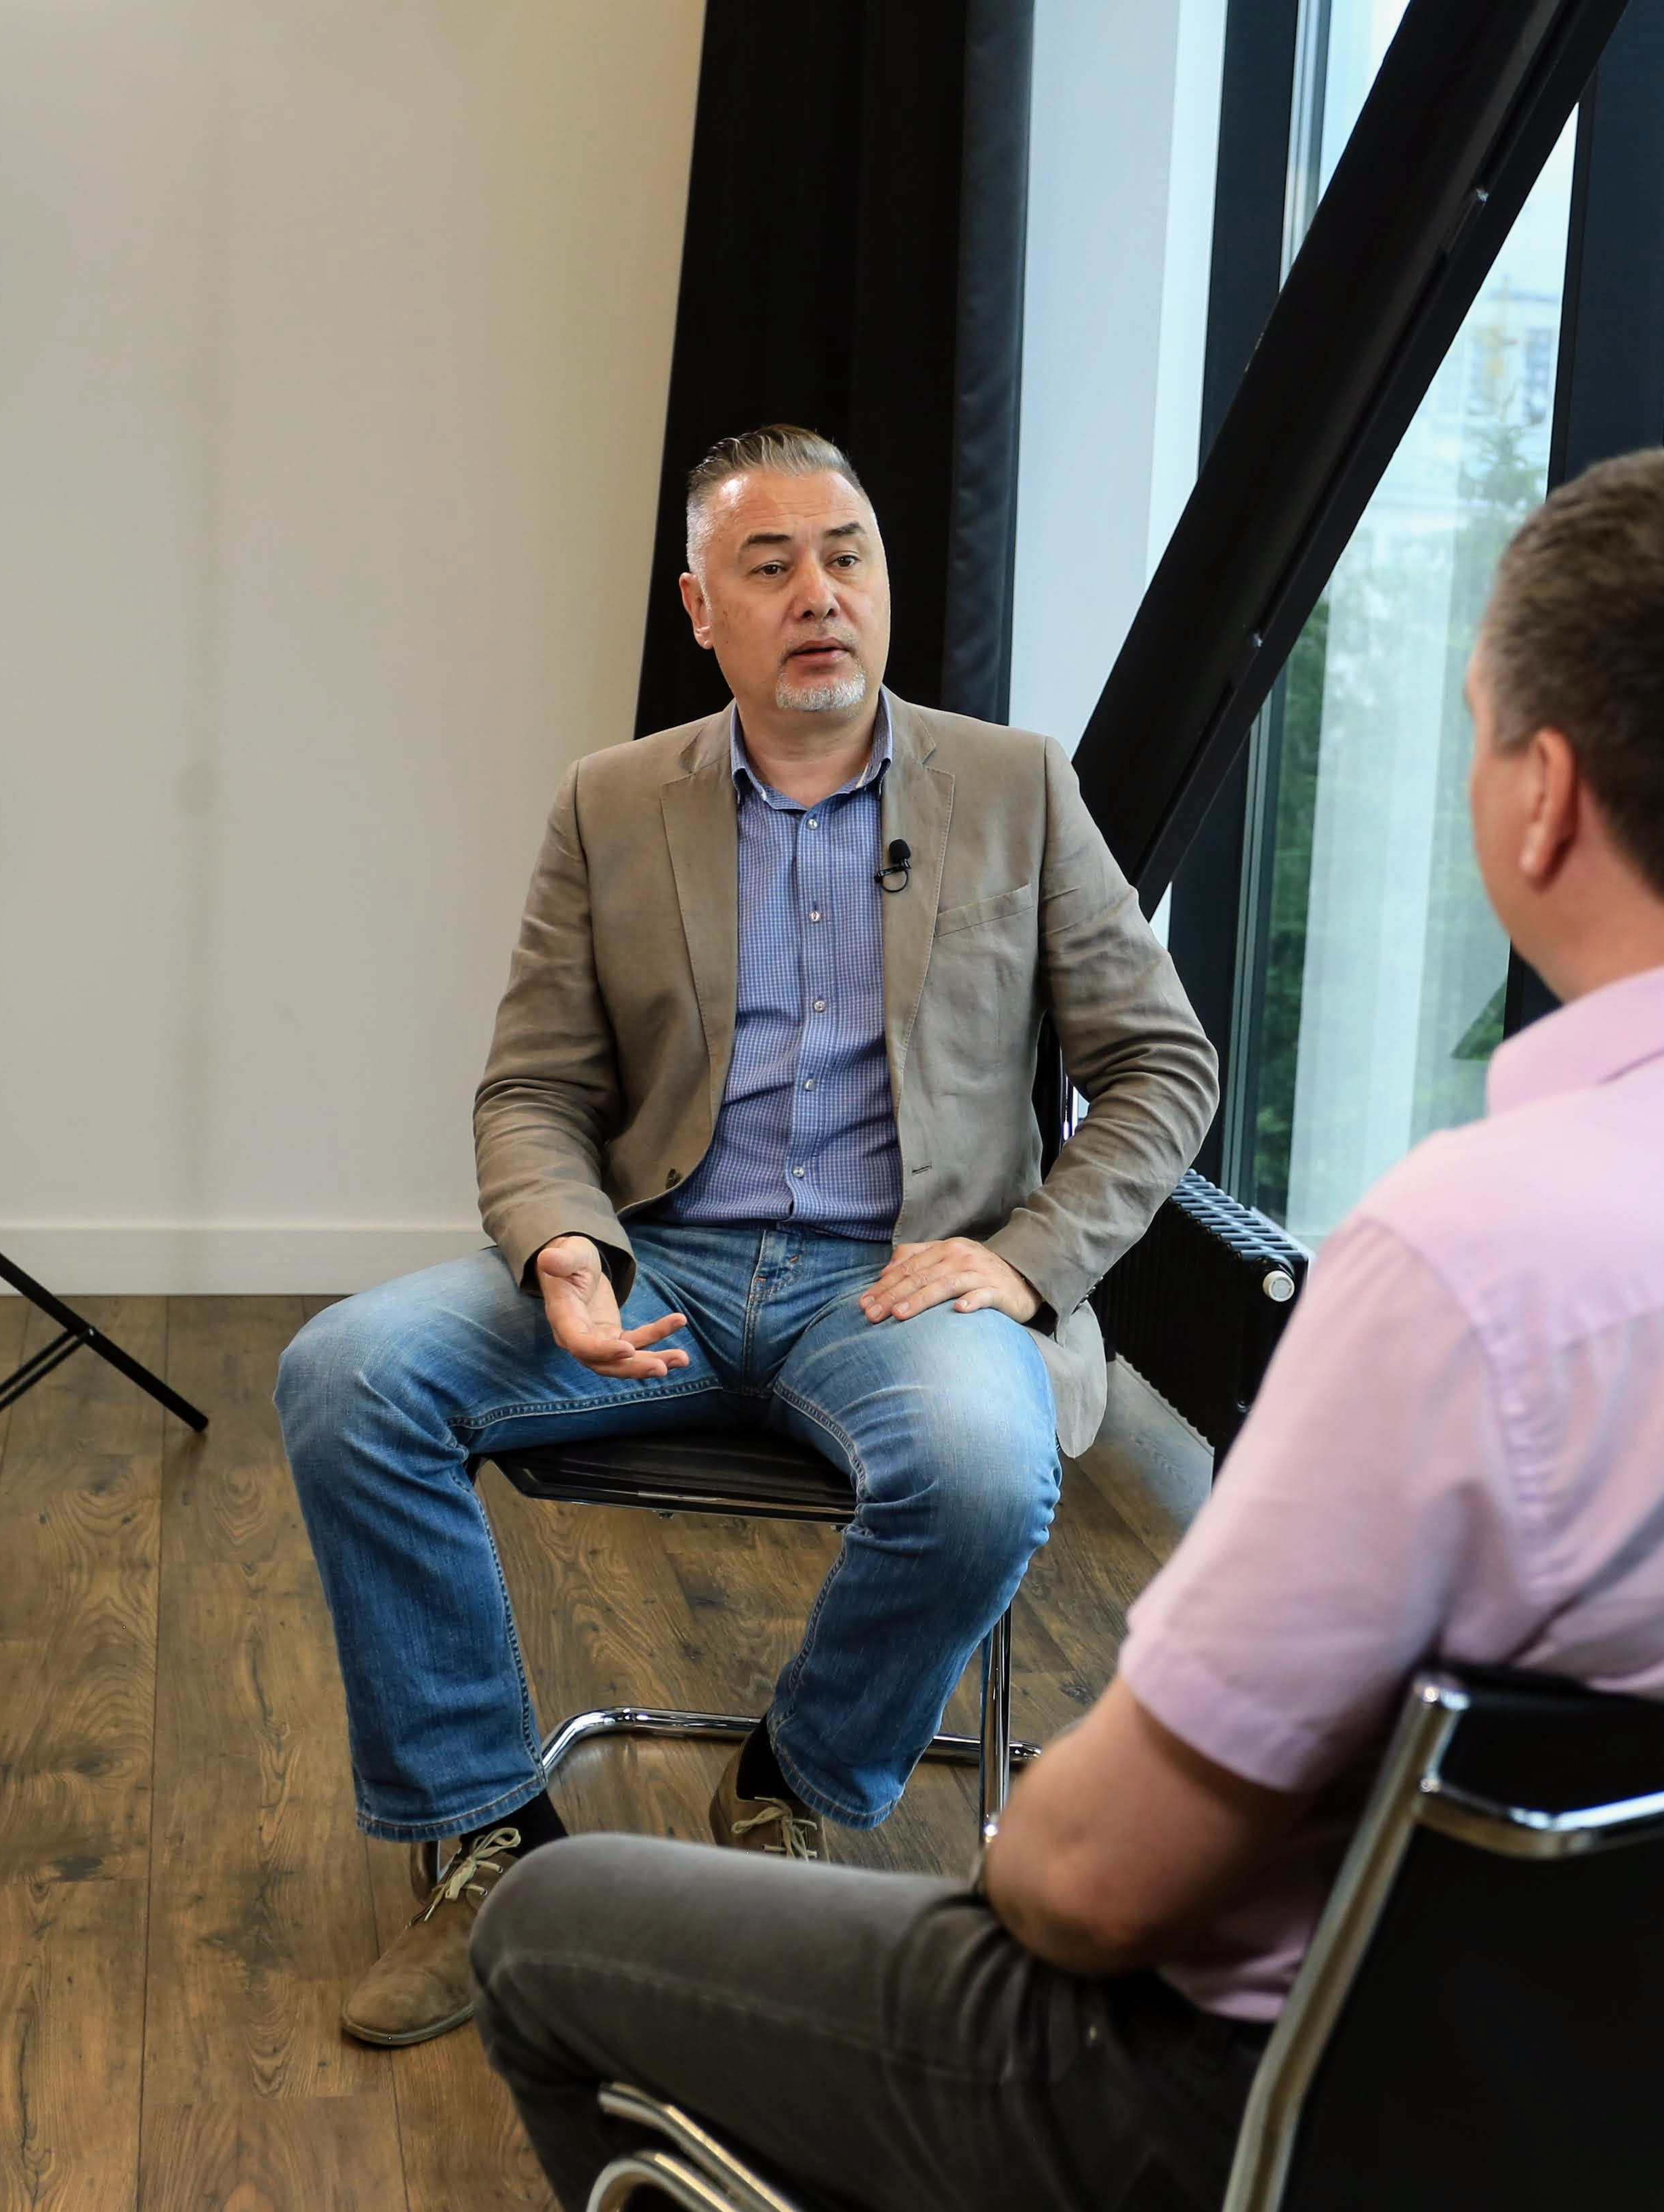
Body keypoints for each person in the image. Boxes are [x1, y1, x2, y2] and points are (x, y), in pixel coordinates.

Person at [465, 442, 1664, 2211]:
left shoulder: (1471, 1270)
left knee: (553, 1926)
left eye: (1474, 726)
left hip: (1266, 2109)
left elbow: (1083, 1884)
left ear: (1545, 796)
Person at [276, 424, 1218, 2051]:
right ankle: (492, 1834)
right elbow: (535, 1085)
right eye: (769, 566)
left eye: (846, 555)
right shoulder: (611, 802)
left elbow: (1162, 1064)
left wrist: (1025, 1258)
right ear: (701, 610)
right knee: (346, 1376)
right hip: (667, 1259)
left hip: (906, 1280)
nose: (818, 594)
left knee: (981, 1474)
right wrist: (562, 1245)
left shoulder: (1014, 786)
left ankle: (795, 1776)